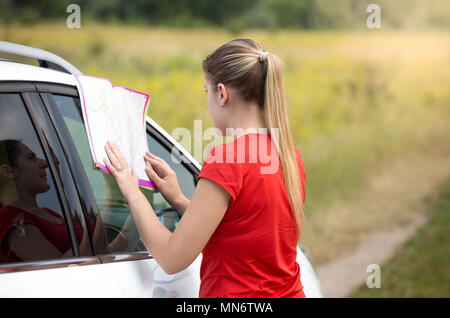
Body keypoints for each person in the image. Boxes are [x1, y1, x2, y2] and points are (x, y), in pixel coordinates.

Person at [103, 38, 306, 298]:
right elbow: (240, 229)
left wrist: (132, 192)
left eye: (206, 92)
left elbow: (171, 257)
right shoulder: (288, 156)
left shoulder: (228, 159)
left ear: (222, 94)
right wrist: (178, 199)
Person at [0, 139, 128, 263]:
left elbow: (100, 252)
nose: (45, 163)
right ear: (8, 171)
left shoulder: (49, 213)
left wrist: (134, 215)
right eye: (31, 157)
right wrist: (111, 197)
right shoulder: (8, 220)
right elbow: (64, 268)